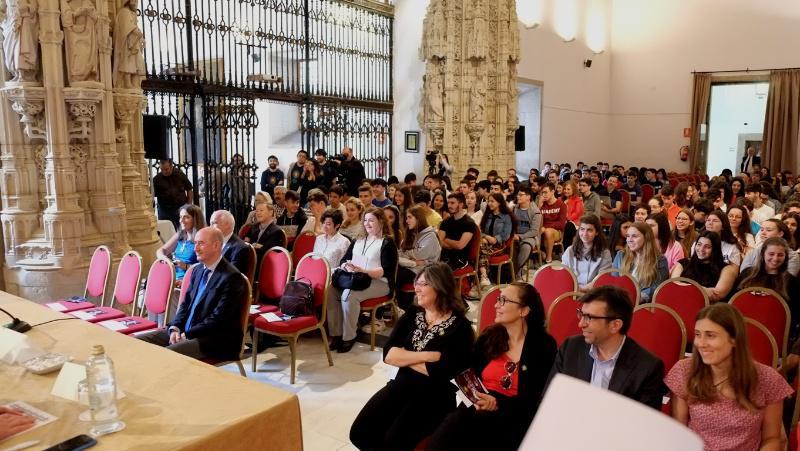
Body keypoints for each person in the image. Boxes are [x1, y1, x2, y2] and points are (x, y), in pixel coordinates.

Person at [350, 263, 474, 451]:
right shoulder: (413, 314)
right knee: (360, 432)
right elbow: (389, 355)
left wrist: (406, 358)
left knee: (393, 441)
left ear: (440, 287)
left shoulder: (461, 327)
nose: (416, 288)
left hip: (433, 398)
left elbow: (443, 372)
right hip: (400, 385)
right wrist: (428, 356)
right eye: (417, 282)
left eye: (423, 284)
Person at [426, 283, 557, 451]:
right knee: (448, 432)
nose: (496, 305)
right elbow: (465, 375)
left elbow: (537, 398)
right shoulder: (489, 337)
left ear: (523, 310)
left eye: (503, 300)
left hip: (513, 417)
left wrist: (497, 404)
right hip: (476, 406)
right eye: (497, 299)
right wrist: (476, 399)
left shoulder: (543, 346)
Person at [666, 303, 792, 451]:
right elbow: (679, 434)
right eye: (698, 334)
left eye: (710, 335)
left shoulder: (768, 379)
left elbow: (771, 439)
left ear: (734, 339)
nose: (701, 343)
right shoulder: (684, 371)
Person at [546, 286, 666, 409]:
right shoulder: (570, 348)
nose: (581, 323)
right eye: (581, 314)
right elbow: (548, 401)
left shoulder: (648, 368)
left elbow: (642, 424)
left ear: (615, 325)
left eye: (589, 318)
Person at [138, 227, 247, 360]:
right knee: (137, 342)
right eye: (195, 243)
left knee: (164, 357)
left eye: (201, 243)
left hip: (214, 339)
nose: (195, 248)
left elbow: (218, 319)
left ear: (216, 245)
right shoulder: (198, 270)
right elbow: (185, 304)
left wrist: (186, 334)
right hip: (187, 330)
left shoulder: (231, 277)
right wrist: (175, 328)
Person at [328, 207, 398, 353]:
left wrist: (365, 271)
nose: (367, 223)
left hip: (379, 282)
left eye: (371, 220)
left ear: (381, 221)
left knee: (349, 294)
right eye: (365, 220)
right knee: (330, 291)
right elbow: (344, 259)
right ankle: (336, 334)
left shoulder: (386, 242)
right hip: (356, 278)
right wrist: (346, 265)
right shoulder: (358, 239)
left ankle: (349, 337)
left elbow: (386, 271)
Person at [737, 237, 800, 341]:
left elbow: (794, 315)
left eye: (780, 255)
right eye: (771, 254)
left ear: (785, 257)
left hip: (774, 335)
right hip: (742, 330)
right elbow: (734, 302)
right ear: (763, 254)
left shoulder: (791, 282)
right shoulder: (747, 274)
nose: (775, 259)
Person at [671, 231, 738, 302]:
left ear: (715, 249)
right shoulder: (683, 263)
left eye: (707, 247)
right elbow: (673, 285)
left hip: (709, 309)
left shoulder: (727, 269)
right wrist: (703, 290)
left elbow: (717, 295)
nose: (701, 249)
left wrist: (685, 287)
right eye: (699, 244)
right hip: (681, 303)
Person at [397, 205, 441, 308]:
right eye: (406, 218)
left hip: (426, 270)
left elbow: (419, 254)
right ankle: (398, 305)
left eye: (409, 217)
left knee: (399, 276)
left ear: (418, 218)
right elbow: (400, 252)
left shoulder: (430, 235)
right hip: (413, 266)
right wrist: (413, 258)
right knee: (391, 271)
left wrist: (411, 256)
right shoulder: (413, 233)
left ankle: (400, 306)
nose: (407, 221)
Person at [612, 222, 669, 302]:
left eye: (634, 236)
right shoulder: (621, 255)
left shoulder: (660, 260)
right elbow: (614, 281)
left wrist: (637, 298)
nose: (629, 240)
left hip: (643, 305)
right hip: (620, 302)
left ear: (646, 238)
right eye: (628, 236)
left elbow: (656, 288)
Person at [561, 215, 612, 291]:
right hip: (572, 291)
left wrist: (581, 289)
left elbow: (601, 280)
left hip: (595, 293)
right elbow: (564, 275)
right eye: (582, 229)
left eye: (589, 230)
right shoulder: (570, 250)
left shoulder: (605, 253)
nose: (584, 234)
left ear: (597, 232)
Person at [157, 204, 205, 284]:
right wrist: (164, 258)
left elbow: (204, 268)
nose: (181, 221)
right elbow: (161, 250)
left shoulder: (201, 238)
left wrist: (186, 266)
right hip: (173, 276)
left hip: (189, 279)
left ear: (195, 219)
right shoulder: (180, 234)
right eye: (180, 217)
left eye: (186, 217)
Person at [478, 193, 515, 287]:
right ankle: (483, 276)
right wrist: (486, 237)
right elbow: (480, 231)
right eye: (488, 201)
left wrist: (495, 239)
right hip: (485, 243)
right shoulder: (487, 215)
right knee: (478, 247)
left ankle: (483, 276)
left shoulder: (506, 217)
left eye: (492, 201)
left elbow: (506, 235)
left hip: (500, 245)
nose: (489, 203)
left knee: (479, 248)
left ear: (499, 203)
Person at [438, 193, 476, 271]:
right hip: (443, 255)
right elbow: (439, 241)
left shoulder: (469, 223)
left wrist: (446, 240)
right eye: (448, 203)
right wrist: (452, 244)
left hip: (460, 258)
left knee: (440, 271)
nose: (449, 206)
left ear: (461, 204)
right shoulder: (446, 221)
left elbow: (460, 245)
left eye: (452, 203)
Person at [210, 210, 254, 277]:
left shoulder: (240, 248)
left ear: (227, 225)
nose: (210, 227)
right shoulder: (214, 242)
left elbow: (232, 276)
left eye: (214, 223)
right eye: (210, 223)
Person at [244, 202, 285, 274]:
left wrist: (254, 246)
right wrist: (255, 245)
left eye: (261, 210)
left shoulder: (277, 231)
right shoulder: (254, 226)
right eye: (256, 211)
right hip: (250, 258)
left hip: (264, 264)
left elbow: (270, 251)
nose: (258, 213)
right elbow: (245, 240)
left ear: (270, 212)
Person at [153, 159, 194, 229]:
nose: (164, 172)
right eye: (162, 169)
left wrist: (188, 205)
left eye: (166, 169)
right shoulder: (157, 179)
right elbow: (152, 194)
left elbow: (189, 189)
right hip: (164, 210)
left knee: (182, 229)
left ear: (171, 166)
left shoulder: (180, 175)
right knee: (165, 229)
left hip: (180, 207)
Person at [512, 186, 543, 276]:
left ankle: (515, 270)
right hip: (515, 235)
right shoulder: (514, 209)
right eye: (518, 194)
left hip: (529, 237)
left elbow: (534, 231)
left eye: (521, 195)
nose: (518, 196)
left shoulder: (536, 212)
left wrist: (520, 237)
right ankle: (509, 269)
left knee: (526, 247)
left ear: (528, 197)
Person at [540, 183, 567, 263]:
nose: (544, 195)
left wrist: (545, 227)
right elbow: (537, 221)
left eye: (546, 192)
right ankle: (538, 255)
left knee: (548, 231)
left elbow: (561, 224)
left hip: (557, 231)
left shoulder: (561, 204)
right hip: (542, 230)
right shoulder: (542, 205)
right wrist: (539, 206)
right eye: (542, 193)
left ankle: (548, 258)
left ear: (552, 192)